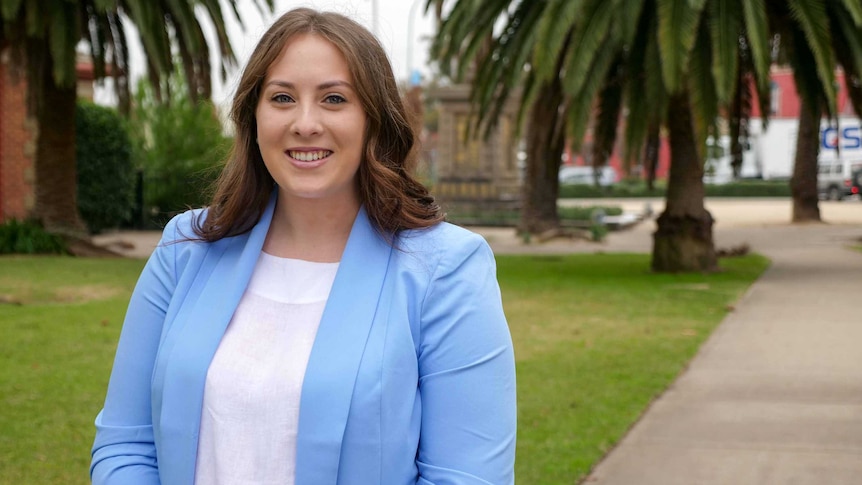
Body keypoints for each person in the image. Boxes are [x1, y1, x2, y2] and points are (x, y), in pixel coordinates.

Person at [90, 7, 516, 485]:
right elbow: (126, 444)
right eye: (283, 98)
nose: (305, 123)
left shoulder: (445, 270)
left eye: (334, 98)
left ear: (374, 119)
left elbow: (467, 477)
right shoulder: (184, 249)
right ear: (253, 116)